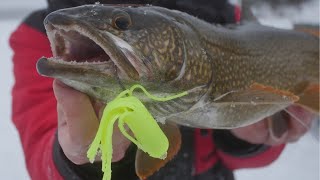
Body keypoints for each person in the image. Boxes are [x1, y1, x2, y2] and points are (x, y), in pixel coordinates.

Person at [9, 0, 314, 179]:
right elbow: (40, 157)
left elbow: (250, 157)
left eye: (121, 23)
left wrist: (253, 140)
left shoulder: (220, 16)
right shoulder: (38, 35)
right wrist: (72, 159)